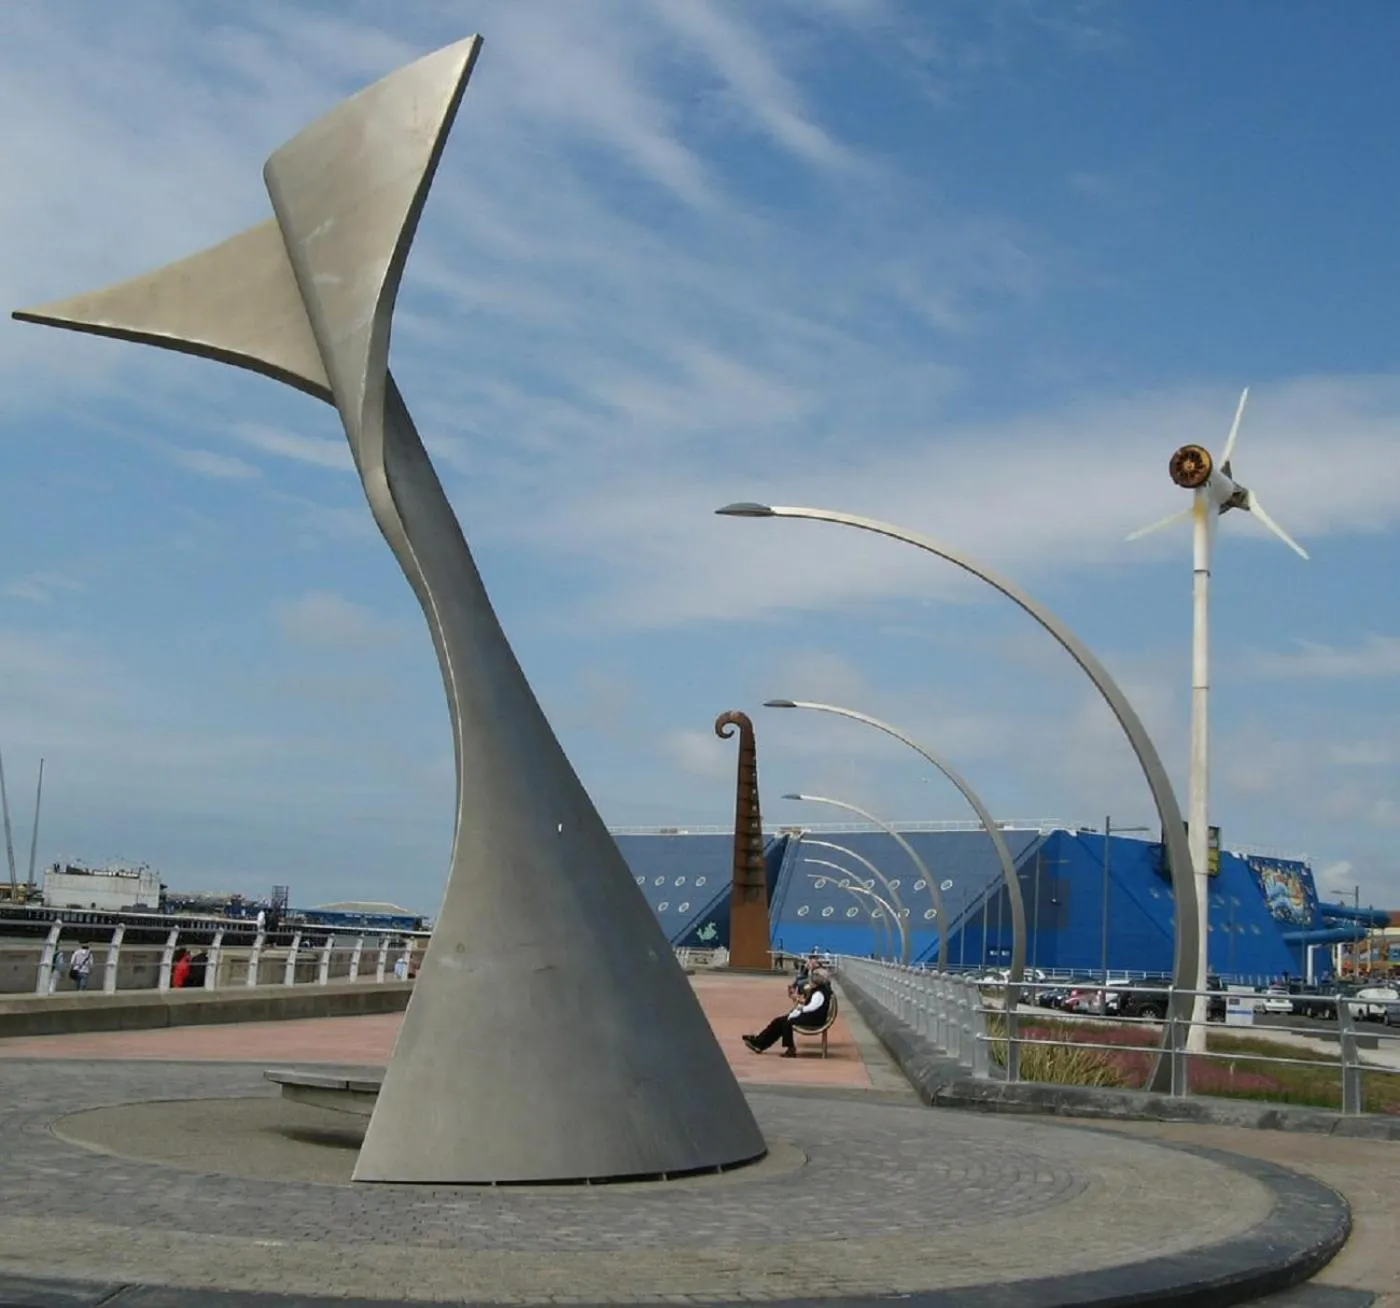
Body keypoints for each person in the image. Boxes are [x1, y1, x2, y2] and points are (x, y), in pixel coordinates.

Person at [743, 971, 833, 1058]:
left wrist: (801, 1008)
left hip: (814, 1019)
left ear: (814, 983)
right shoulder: (817, 991)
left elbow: (813, 1007)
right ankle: (760, 1042)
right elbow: (811, 1004)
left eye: (810, 982)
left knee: (787, 1022)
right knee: (778, 1021)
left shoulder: (819, 993)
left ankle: (790, 1048)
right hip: (811, 1016)